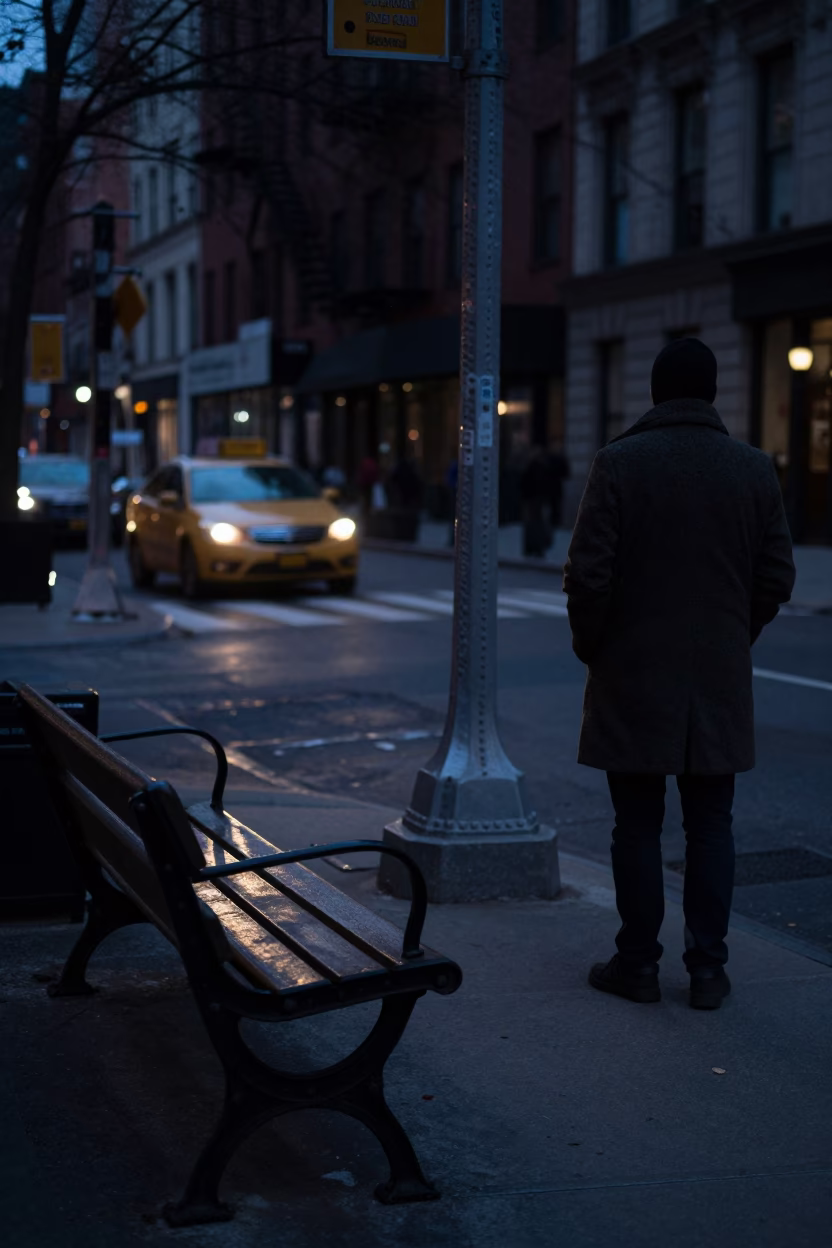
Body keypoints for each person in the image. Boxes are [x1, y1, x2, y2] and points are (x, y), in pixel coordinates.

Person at [564, 338, 795, 1011]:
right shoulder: (752, 469)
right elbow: (777, 573)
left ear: (657, 393)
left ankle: (636, 963)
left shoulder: (619, 464)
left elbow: (589, 573)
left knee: (635, 824)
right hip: (716, 675)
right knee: (711, 824)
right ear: (714, 392)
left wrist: (593, 645)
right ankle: (707, 970)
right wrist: (733, 635)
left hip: (632, 673)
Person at [519, 446, 552, 557]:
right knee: (537, 523)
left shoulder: (530, 467)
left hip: (532, 500)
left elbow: (524, 484)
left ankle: (532, 548)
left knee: (532, 524)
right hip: (537, 499)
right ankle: (537, 549)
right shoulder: (542, 467)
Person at [547, 439, 570, 532]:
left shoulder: (560, 459)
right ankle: (553, 525)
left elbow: (566, 473)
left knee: (556, 507)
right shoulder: (549, 458)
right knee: (552, 507)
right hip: (550, 487)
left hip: (555, 487)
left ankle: (556, 524)